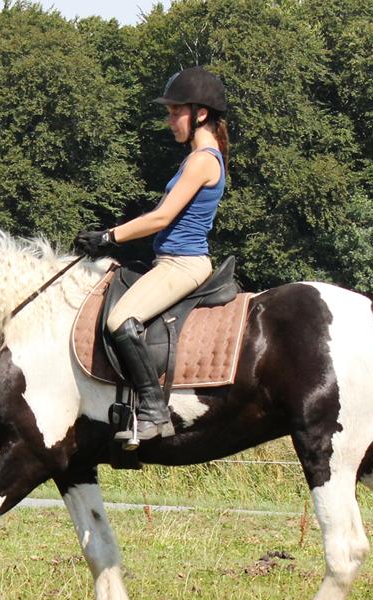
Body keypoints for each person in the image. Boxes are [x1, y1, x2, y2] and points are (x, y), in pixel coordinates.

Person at [74, 66, 229, 446]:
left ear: (200, 114)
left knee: (121, 319)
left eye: (175, 112)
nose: (170, 120)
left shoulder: (203, 159)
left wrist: (110, 235)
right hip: (169, 260)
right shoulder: (196, 157)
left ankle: (154, 410)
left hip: (184, 263)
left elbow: (162, 216)